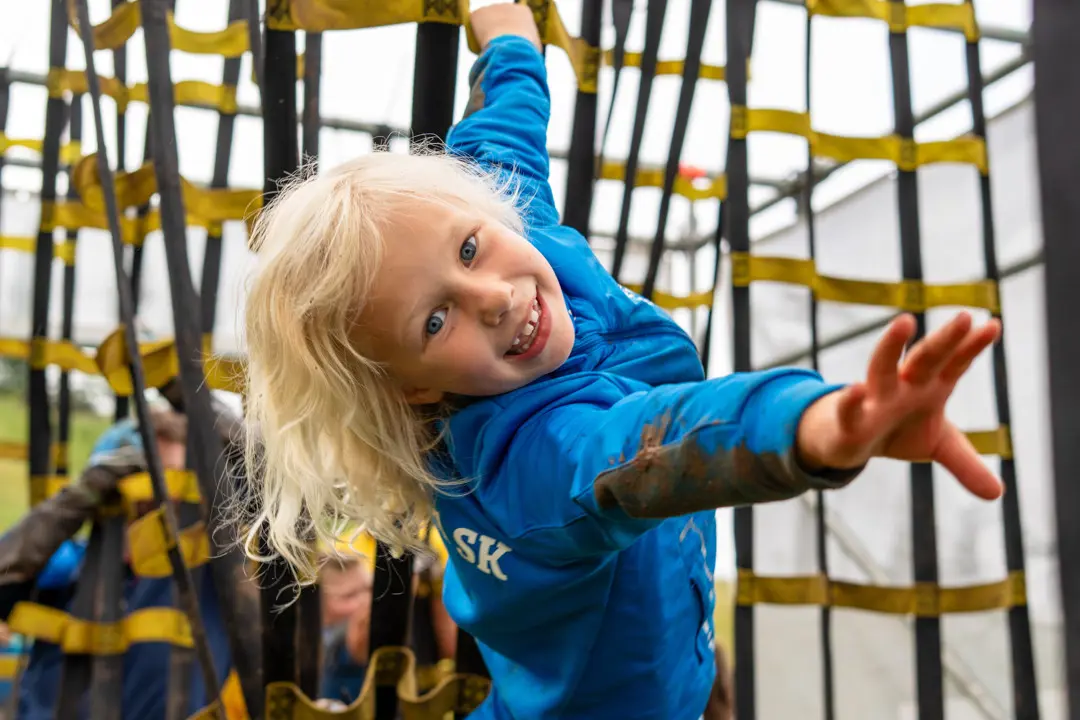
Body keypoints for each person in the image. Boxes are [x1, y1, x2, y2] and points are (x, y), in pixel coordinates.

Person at [238, 3, 1004, 718]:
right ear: (411, 386)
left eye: (469, 247)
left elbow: (502, 135)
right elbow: (656, 443)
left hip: (656, 656)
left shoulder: (510, 228)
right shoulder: (535, 458)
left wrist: (506, 37)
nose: (492, 296)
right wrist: (818, 423)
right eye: (436, 320)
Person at [0, 404, 240, 720]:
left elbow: (261, 469)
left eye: (175, 479)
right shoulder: (68, 565)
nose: (160, 494)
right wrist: (77, 499)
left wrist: (193, 401)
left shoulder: (213, 576)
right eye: (143, 474)